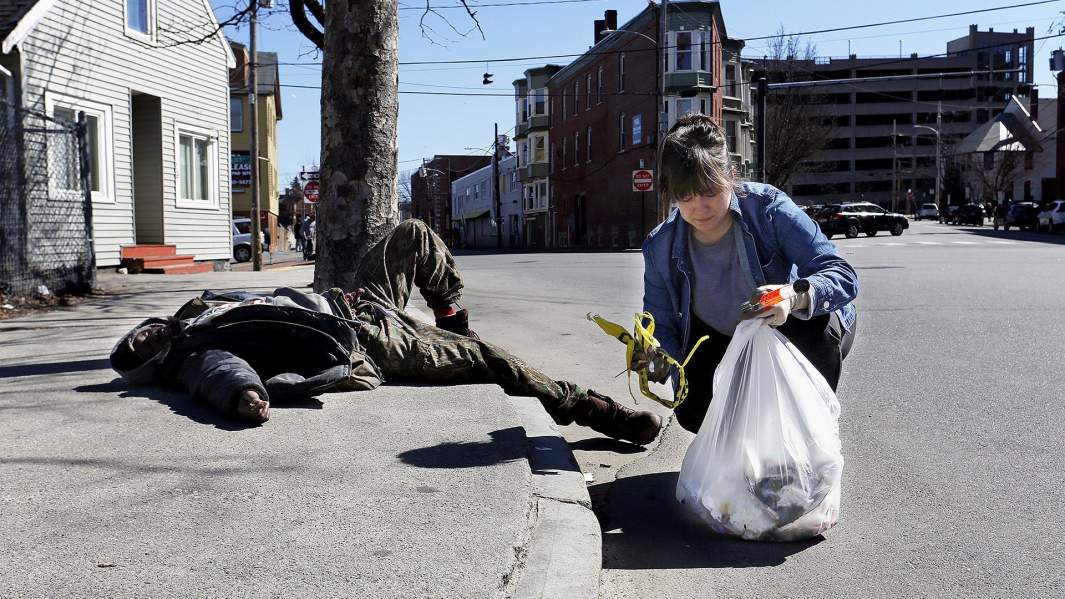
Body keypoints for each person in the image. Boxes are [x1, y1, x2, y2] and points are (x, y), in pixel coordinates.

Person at [110, 220, 662, 446]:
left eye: (138, 333)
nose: (145, 335)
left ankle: (451, 321)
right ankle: (591, 408)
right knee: (486, 359)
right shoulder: (193, 353)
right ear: (154, 360)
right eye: (141, 348)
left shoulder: (201, 309)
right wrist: (243, 396)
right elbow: (219, 374)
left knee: (412, 234)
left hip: (351, 302)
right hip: (361, 340)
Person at [638, 114, 859, 433]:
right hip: (725, 340)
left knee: (815, 329)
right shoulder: (660, 246)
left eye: (709, 190)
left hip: (792, 330)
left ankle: (802, 433)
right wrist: (657, 359)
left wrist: (792, 297)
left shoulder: (768, 208)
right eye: (685, 195)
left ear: (730, 175)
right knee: (693, 409)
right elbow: (659, 324)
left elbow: (841, 273)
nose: (699, 207)